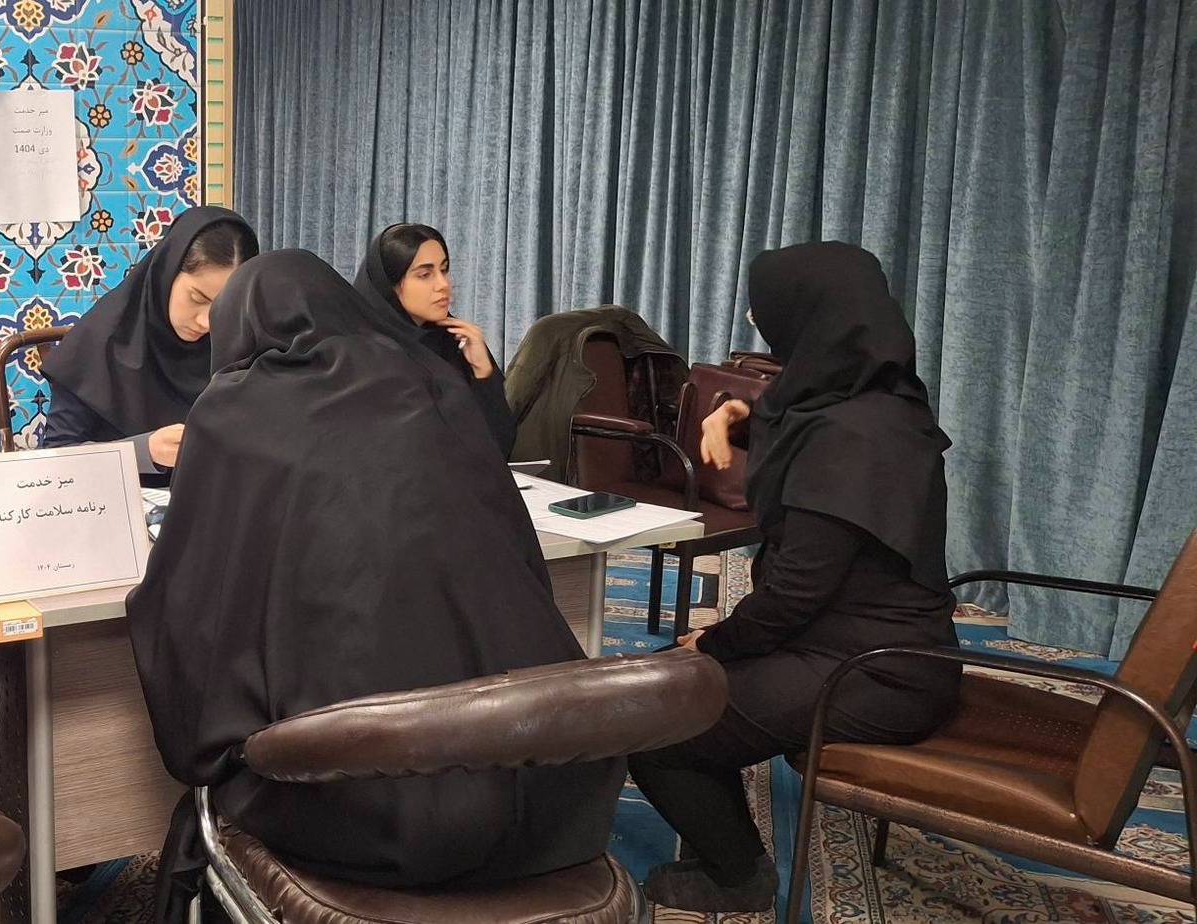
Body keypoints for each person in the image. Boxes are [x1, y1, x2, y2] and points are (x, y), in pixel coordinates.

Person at [128, 250, 625, 923]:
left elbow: (189, 607)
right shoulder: (433, 381)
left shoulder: (236, 409)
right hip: (546, 790)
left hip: (364, 811)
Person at [628, 241, 961, 912]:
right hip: (878, 647)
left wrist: (716, 642)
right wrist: (735, 413)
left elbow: (792, 594)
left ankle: (737, 877)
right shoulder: (877, 400)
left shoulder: (851, 441)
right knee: (669, 676)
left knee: (653, 718)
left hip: (869, 672)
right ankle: (718, 810)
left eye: (765, 310)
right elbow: (796, 415)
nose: (757, 320)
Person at [41, 206, 257, 486]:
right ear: (167, 272)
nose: (206, 322)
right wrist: (143, 451)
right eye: (197, 298)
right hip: (117, 499)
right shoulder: (99, 341)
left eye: (223, 307)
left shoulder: (239, 343)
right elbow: (56, 457)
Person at [353, 222, 515, 455]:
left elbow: (501, 444)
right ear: (389, 285)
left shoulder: (455, 343)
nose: (443, 285)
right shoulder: (362, 353)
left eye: (444, 270)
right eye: (425, 275)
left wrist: (483, 373)